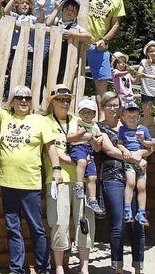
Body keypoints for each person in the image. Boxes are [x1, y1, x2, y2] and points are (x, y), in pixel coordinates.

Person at [0, 63, 60, 274]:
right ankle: (17, 269)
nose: (23, 100)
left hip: (30, 184)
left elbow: (50, 147)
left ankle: (43, 268)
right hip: (8, 183)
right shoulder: (5, 118)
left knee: (36, 228)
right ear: (13, 102)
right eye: (19, 97)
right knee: (12, 228)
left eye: (27, 98)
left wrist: (56, 169)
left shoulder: (40, 120)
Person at [44, 85, 97, 274]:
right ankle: (59, 267)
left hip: (80, 180)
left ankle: (84, 266)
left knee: (85, 220)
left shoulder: (79, 119)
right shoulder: (46, 122)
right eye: (60, 99)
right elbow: (52, 150)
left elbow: (92, 139)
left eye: (68, 99)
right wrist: (77, 160)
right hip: (58, 179)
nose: (65, 103)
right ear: (52, 102)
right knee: (59, 222)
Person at [97, 91, 150, 274]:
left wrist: (142, 154)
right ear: (103, 107)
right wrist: (136, 159)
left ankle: (138, 267)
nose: (113, 108)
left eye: (116, 105)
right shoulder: (100, 128)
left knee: (137, 223)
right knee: (118, 223)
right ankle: (118, 267)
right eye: (109, 105)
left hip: (134, 175)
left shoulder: (129, 123)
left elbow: (147, 147)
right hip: (113, 177)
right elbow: (110, 151)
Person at [67, 0, 126, 117]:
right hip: (77, 42)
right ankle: (68, 114)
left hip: (98, 46)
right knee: (70, 77)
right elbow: (68, 0)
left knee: (101, 84)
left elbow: (116, 24)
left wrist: (105, 40)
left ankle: (102, 119)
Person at [117, 103, 152, 226]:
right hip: (130, 161)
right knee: (131, 183)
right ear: (124, 117)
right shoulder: (122, 129)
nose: (132, 119)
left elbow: (150, 147)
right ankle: (127, 210)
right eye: (129, 116)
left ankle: (141, 213)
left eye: (135, 116)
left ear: (139, 117)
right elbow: (119, 144)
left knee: (142, 187)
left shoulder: (143, 129)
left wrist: (142, 146)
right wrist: (125, 150)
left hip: (141, 161)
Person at [70, 99, 105, 216]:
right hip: (78, 147)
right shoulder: (76, 122)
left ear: (94, 114)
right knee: (81, 161)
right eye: (84, 112)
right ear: (79, 113)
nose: (87, 115)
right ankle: (79, 185)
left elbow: (99, 137)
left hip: (89, 150)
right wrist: (83, 133)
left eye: (90, 112)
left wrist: (99, 138)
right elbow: (70, 137)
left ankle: (92, 199)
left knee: (93, 176)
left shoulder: (95, 126)